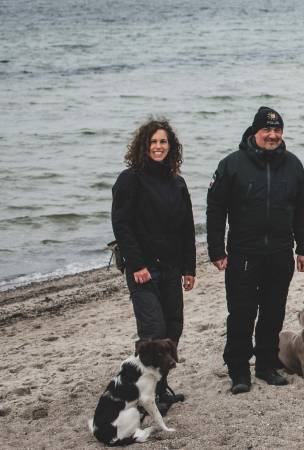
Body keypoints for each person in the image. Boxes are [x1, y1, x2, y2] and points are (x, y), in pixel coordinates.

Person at [207, 106, 304, 394]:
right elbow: (216, 210)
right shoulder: (232, 165)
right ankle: (239, 370)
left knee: (273, 312)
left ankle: (267, 365)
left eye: (277, 130)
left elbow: (302, 208)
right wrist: (216, 249)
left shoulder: (293, 165)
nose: (272, 135)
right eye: (267, 130)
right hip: (242, 253)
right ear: (254, 132)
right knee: (241, 314)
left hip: (280, 252)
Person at [111, 118, 196, 415]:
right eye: (153, 142)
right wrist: (136, 264)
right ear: (143, 147)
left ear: (170, 147)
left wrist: (190, 268)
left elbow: (187, 228)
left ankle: (159, 390)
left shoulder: (177, 182)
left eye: (163, 142)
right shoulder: (130, 179)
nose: (158, 147)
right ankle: (143, 397)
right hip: (143, 269)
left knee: (173, 331)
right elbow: (121, 224)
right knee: (153, 333)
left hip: (172, 268)